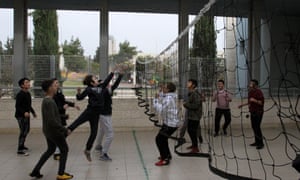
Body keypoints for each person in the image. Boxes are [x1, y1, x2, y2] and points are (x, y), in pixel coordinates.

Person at [30, 79, 73, 180]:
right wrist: (64, 129)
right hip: (54, 132)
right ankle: (61, 174)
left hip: (48, 131)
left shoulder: (48, 100)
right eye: (54, 85)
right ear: (50, 88)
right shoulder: (49, 101)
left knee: (50, 150)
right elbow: (52, 120)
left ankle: (35, 171)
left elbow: (52, 116)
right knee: (64, 149)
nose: (56, 86)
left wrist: (63, 116)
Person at [67, 72, 114, 162]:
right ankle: (66, 133)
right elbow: (80, 98)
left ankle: (87, 150)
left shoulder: (101, 87)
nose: (97, 79)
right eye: (95, 79)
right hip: (89, 112)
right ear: (92, 83)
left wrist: (113, 72)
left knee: (94, 133)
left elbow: (108, 80)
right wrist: (78, 93)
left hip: (96, 114)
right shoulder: (89, 89)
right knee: (76, 123)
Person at [95, 72, 123, 161]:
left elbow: (115, 85)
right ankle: (104, 154)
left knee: (102, 130)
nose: (108, 84)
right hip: (104, 115)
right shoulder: (102, 91)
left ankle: (98, 145)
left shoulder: (106, 90)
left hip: (105, 114)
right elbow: (111, 85)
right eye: (105, 83)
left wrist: (120, 75)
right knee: (110, 135)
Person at [52, 78, 80, 160]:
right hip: (57, 117)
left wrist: (73, 105)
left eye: (58, 82)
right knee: (60, 134)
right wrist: (62, 108)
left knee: (61, 134)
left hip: (61, 116)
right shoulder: (52, 96)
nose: (58, 84)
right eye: (56, 83)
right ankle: (56, 152)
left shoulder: (59, 93)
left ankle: (57, 151)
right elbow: (54, 108)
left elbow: (63, 101)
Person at [153, 82, 179, 166]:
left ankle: (165, 159)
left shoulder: (168, 98)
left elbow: (161, 110)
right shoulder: (171, 95)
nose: (163, 88)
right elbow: (163, 96)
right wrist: (160, 92)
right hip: (169, 123)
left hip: (170, 124)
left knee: (159, 139)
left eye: (164, 87)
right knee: (163, 139)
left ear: (168, 89)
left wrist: (155, 100)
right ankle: (167, 155)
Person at [238, 79, 265, 150]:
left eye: (251, 83)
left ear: (255, 85)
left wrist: (254, 100)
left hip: (258, 112)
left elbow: (261, 103)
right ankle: (257, 142)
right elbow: (250, 102)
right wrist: (242, 105)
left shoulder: (259, 92)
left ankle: (261, 143)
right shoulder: (250, 92)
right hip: (252, 112)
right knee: (254, 127)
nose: (249, 84)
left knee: (257, 127)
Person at [15, 77, 37, 156]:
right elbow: (17, 106)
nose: (28, 84)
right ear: (22, 85)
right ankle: (20, 149)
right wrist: (24, 112)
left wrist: (33, 112)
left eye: (28, 82)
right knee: (23, 131)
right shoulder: (20, 94)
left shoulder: (28, 93)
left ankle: (22, 145)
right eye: (26, 82)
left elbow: (28, 105)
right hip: (20, 116)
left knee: (26, 130)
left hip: (26, 115)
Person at [183, 79, 203, 153]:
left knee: (192, 131)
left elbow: (196, 105)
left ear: (193, 85)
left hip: (195, 116)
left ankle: (196, 148)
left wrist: (186, 104)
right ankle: (194, 145)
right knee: (190, 130)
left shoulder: (195, 93)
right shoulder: (191, 93)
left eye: (189, 82)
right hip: (191, 115)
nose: (187, 83)